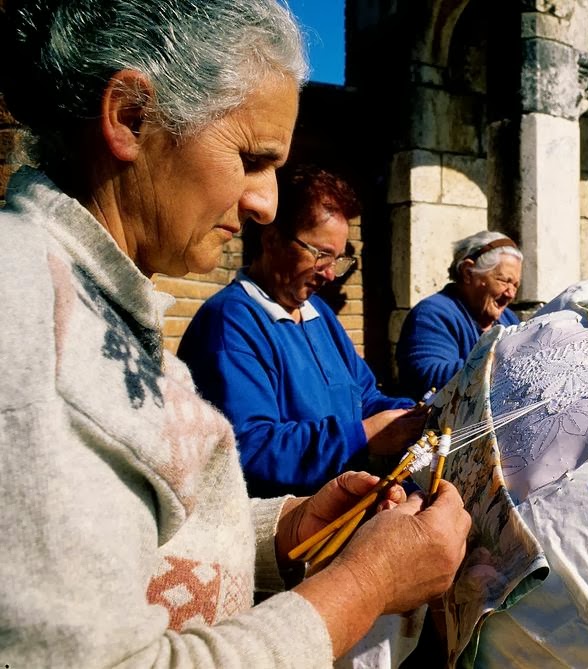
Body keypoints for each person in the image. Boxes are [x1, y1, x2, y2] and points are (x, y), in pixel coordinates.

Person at [0, 1, 471, 666]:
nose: (262, 203)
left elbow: (147, 538)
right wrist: (365, 584)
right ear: (130, 117)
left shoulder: (97, 310)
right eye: (250, 158)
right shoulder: (34, 331)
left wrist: (286, 528)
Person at [178, 164, 426, 498]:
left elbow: (363, 396)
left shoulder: (316, 312)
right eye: (321, 255)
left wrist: (415, 413)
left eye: (339, 259)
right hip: (283, 529)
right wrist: (363, 435)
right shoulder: (229, 324)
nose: (331, 274)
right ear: (272, 239)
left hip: (336, 504)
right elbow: (250, 449)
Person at [395, 230, 523, 399]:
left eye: (515, 285)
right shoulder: (432, 314)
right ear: (468, 272)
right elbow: (429, 379)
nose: (510, 294)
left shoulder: (508, 318)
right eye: (504, 281)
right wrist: (507, 363)